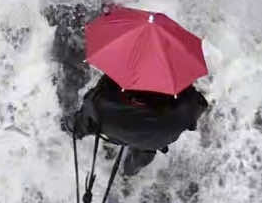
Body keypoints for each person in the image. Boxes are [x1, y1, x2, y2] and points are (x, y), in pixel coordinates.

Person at [74, 73, 210, 176]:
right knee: (142, 156)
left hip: (114, 125)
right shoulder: (183, 112)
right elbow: (198, 105)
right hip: (156, 136)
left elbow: (85, 114)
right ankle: (128, 173)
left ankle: (68, 129)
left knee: (83, 124)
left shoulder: (100, 105)